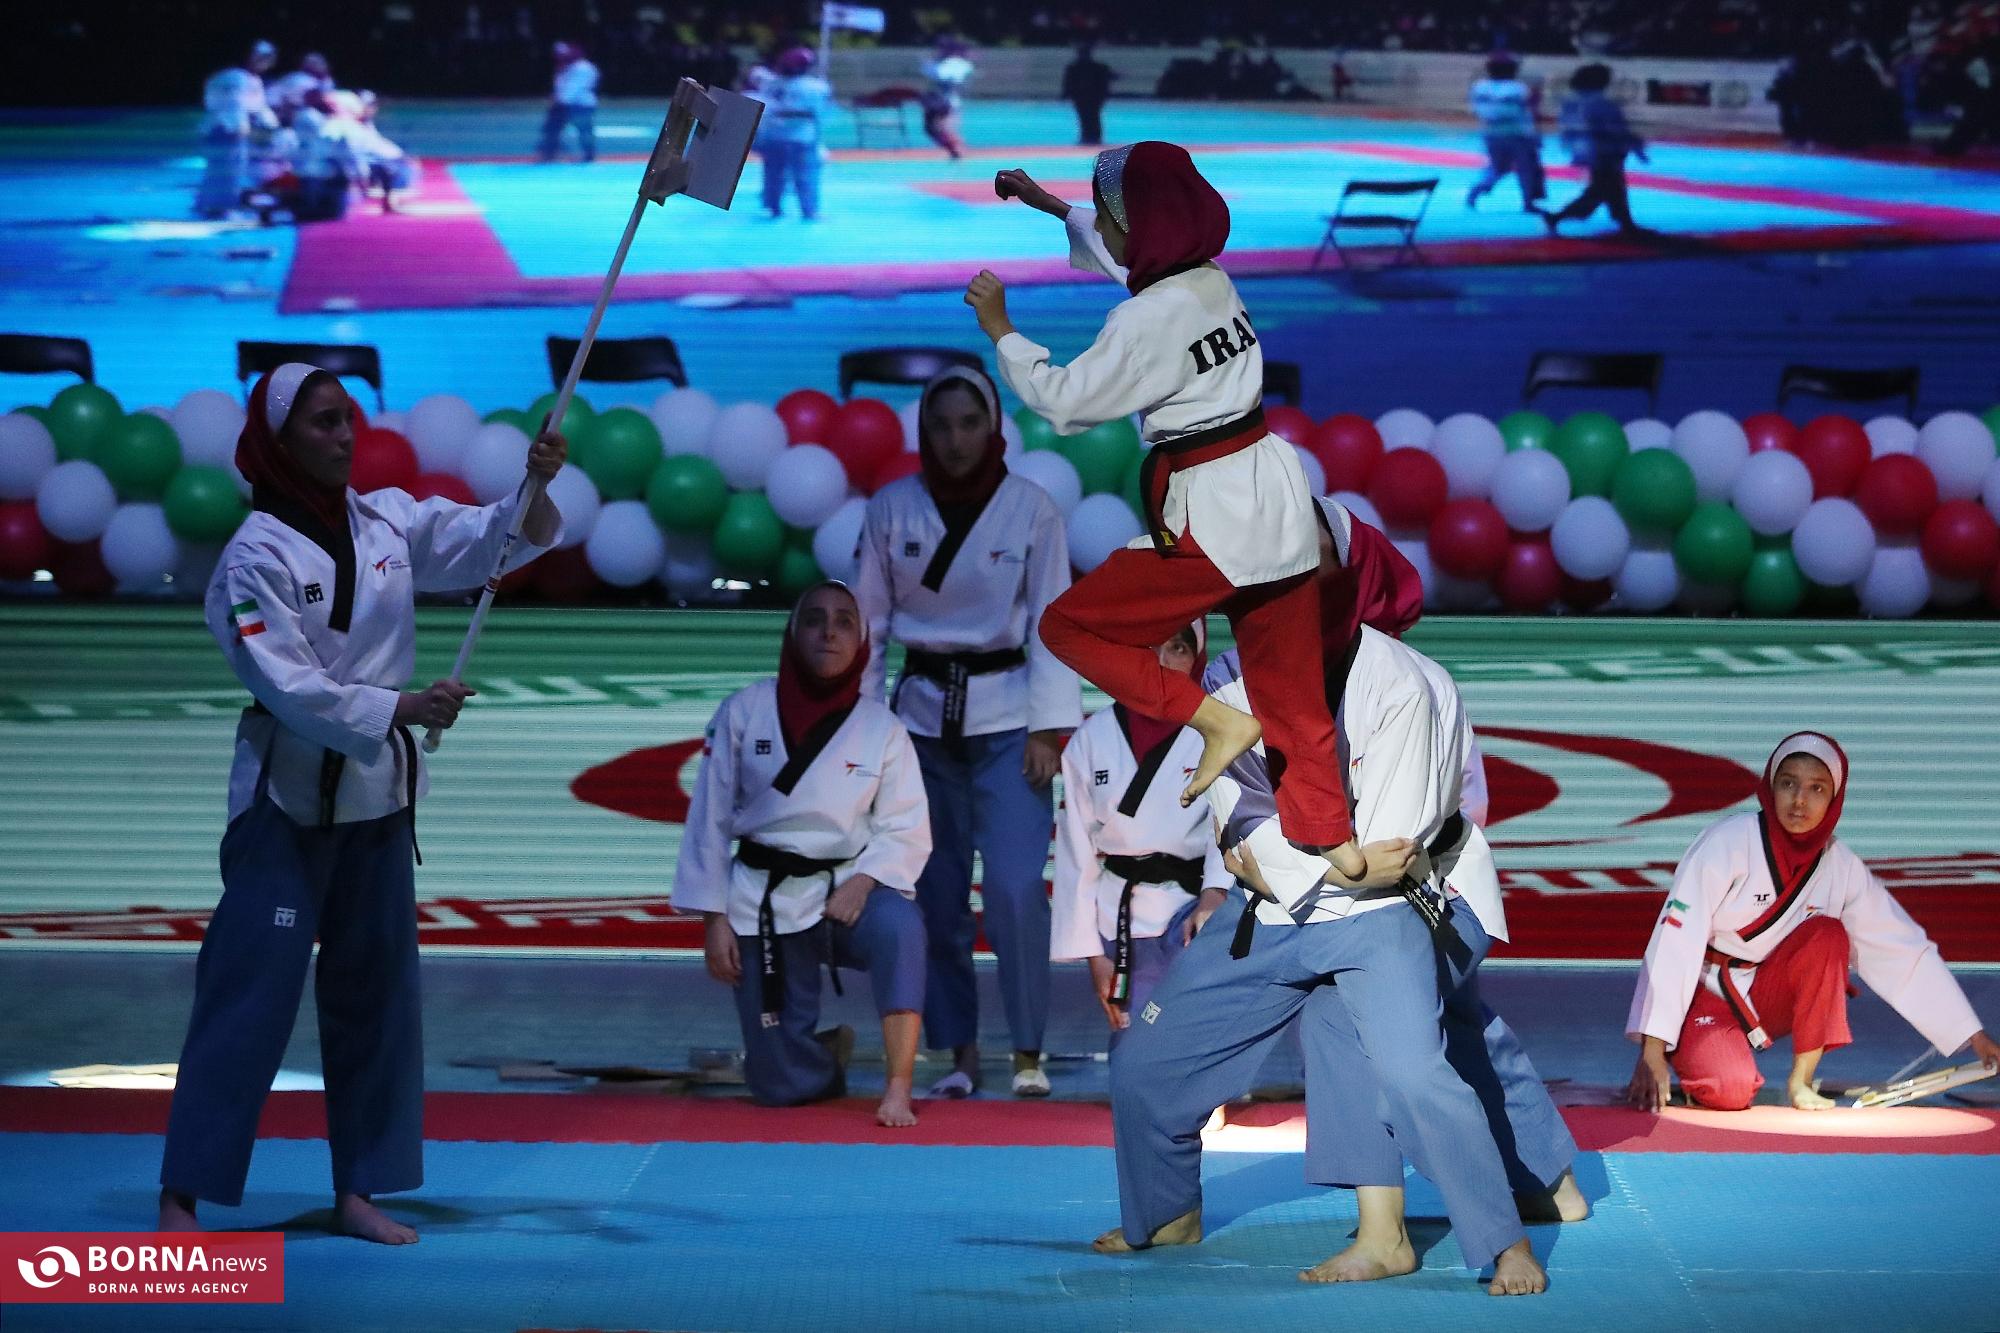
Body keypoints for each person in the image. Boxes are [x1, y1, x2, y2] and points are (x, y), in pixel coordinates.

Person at [157, 363, 565, 1243]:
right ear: (279, 441)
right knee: (247, 997)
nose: (344, 435)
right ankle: (182, 1193)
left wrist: (532, 487)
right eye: (322, 422)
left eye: (347, 418)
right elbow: (288, 684)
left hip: (377, 802)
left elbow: (488, 541)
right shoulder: (253, 557)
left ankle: (359, 1189)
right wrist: (402, 708)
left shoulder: (386, 519)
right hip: (286, 802)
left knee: (376, 998)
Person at [1102, 621, 1548, 1296]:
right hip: (1269, 912)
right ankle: (1166, 1213)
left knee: (1397, 1059)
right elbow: (1243, 836)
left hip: (1392, 907)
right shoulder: (1226, 677)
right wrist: (1337, 869)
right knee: (1144, 1062)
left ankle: (1497, 1239)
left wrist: (1320, 868)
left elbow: (1394, 848)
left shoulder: (1401, 681)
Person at [973, 151, 1366, 883]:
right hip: (1276, 500)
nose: (1103, 230)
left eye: (1105, 216)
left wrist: (1002, 331)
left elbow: (1064, 403)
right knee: (1292, 693)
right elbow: (1142, 271)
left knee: (1070, 628)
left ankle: (1211, 718)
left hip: (1213, 515)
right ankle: (1334, 841)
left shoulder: (1142, 320)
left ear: (1136, 226)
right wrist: (1051, 206)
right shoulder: (1211, 283)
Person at [852, 367, 1082, 1099]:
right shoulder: (892, 509)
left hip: (1011, 723)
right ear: (923, 430)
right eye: (941, 425)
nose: (954, 439)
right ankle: (958, 1051)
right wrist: (864, 738)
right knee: (933, 892)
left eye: (968, 424)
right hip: (918, 727)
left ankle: (1028, 1049)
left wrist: (1049, 728)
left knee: (1014, 889)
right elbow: (867, 628)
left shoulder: (1031, 509)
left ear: (994, 428)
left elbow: (1053, 623)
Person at [1627, 732, 2000, 1112]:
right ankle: (1688, 1046)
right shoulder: (1726, 843)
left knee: (1828, 936)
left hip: (1769, 993)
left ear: (1834, 799)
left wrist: (1974, 1036)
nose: (1800, 800)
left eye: (1816, 789)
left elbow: (1900, 950)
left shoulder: (1840, 866)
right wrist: (1653, 1046)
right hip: (1706, 993)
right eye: (1788, 784)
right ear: (1770, 787)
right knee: (1730, 1092)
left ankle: (1802, 1080)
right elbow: (1676, 940)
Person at [674, 582, 931, 1128]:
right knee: (777, 1085)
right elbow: (709, 820)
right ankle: (822, 1057)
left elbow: (906, 826)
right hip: (762, 898)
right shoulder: (743, 711)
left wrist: (865, 881)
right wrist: (713, 920)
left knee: (902, 928)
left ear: (861, 641)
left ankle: (898, 1086)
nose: (828, 632)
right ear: (793, 634)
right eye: (814, 619)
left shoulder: (882, 729)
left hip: (846, 893)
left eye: (843, 622)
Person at [1051, 622, 1230, 1044]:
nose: (1160, 663)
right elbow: (1075, 852)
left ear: (1197, 658)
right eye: (1146, 648)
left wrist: (1215, 893)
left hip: (1193, 911)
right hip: (1121, 918)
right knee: (1134, 1053)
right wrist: (1093, 955)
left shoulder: (1219, 731)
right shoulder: (1091, 739)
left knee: (1192, 1038)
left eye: (1178, 649)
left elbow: (1229, 825)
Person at [1540, 63, 1648, 237]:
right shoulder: (1602, 103)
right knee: (1604, 188)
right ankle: (1558, 216)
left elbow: (1568, 129)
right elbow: (1616, 129)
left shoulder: (1572, 102)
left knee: (1611, 187)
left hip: (1589, 150)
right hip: (1605, 151)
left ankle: (1625, 221)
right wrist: (1634, 146)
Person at [197, 40, 280, 219]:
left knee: (216, 170)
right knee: (230, 171)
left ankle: (206, 204)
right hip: (231, 129)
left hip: (214, 128)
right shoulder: (241, 79)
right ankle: (224, 207)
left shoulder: (227, 76)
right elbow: (240, 105)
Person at [757, 47, 834, 221]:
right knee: (806, 173)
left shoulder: (771, 84)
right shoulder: (817, 86)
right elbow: (822, 112)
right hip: (803, 136)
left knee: (774, 173)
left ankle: (773, 207)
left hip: (774, 135)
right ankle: (809, 210)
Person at [1466, 55, 1544, 211]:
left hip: (1491, 132)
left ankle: (1478, 189)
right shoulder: (1517, 88)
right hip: (1518, 133)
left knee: (1498, 168)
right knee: (1526, 168)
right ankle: (1528, 202)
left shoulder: (1479, 86)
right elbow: (1528, 109)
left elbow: (1476, 109)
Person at [539, 41, 600, 163]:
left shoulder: (583, 67)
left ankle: (589, 155)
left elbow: (574, 88)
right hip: (567, 104)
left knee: (583, 130)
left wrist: (560, 100)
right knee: (553, 130)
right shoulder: (567, 67)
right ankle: (550, 154)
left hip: (579, 104)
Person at [921, 38, 975, 159]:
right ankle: (954, 149)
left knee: (945, 128)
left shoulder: (956, 64)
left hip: (947, 101)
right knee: (931, 129)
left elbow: (947, 79)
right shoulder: (937, 62)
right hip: (935, 100)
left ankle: (958, 149)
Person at [1061, 44, 1117, 147]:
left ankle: (1088, 136)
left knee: (1086, 117)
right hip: (1093, 97)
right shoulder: (1098, 67)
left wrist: (1066, 94)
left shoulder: (1074, 68)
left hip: (1082, 97)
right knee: (1092, 116)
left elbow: (1068, 83)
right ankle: (1093, 137)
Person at [268, 52, 335, 123]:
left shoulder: (326, 80)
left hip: (300, 111)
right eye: (314, 63)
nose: (320, 65)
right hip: (277, 110)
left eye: (321, 62)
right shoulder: (299, 78)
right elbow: (291, 101)